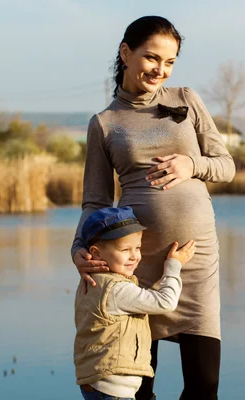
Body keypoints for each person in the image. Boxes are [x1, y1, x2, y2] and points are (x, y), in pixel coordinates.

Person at [71, 15, 235, 400]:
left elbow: (225, 166)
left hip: (195, 261)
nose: (160, 70)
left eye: (170, 62)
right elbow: (94, 201)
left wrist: (191, 165)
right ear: (126, 53)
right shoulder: (105, 123)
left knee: (204, 386)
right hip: (135, 265)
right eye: (152, 58)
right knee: (140, 386)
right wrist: (78, 247)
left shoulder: (187, 100)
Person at [74, 206, 196, 400]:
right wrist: (174, 265)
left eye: (137, 248)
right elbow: (165, 302)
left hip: (97, 382)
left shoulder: (92, 280)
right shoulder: (117, 289)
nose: (134, 256)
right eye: (125, 250)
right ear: (96, 254)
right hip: (113, 390)